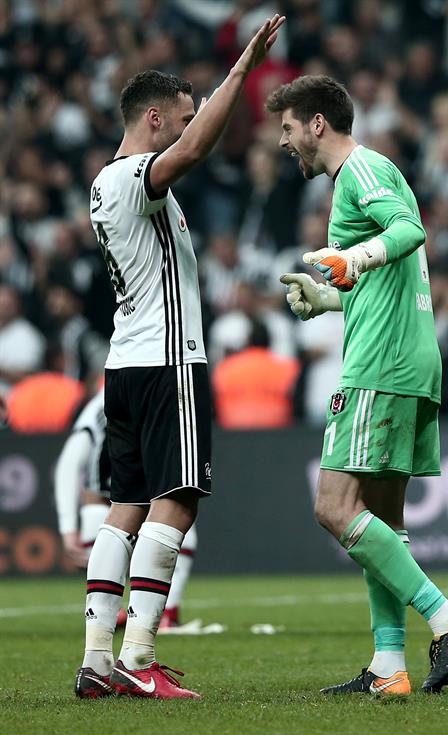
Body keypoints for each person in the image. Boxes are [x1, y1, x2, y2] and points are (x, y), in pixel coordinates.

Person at [76, 14, 286, 701]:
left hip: (126, 363)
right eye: (186, 116)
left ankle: (97, 658)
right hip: (169, 362)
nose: (197, 126)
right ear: (157, 118)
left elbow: (188, 149)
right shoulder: (138, 175)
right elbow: (192, 151)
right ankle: (139, 655)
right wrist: (240, 73)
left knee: (125, 505)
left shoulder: (103, 183)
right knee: (178, 497)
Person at [270, 75, 448, 697]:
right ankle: (389, 666)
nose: (284, 143)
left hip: (379, 366)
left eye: (288, 129)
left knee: (333, 509)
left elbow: (410, 232)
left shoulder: (359, 171)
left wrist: (353, 261)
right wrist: (329, 295)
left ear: (317, 124)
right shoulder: (372, 173)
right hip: (411, 359)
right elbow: (385, 268)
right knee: (380, 520)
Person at [55, 390, 198, 628]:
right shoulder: (105, 402)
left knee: (177, 522)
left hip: (139, 490)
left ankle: (146, 612)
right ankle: (124, 612)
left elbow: (69, 462)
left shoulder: (153, 392)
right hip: (115, 496)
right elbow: (70, 463)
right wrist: (68, 527)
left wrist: (68, 528)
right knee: (169, 514)